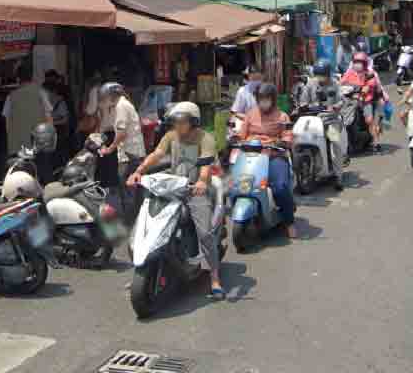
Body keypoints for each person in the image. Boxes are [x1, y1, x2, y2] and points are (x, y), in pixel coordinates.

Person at [127, 102, 223, 299]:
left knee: (205, 233)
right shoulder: (171, 136)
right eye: (176, 121)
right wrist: (138, 171)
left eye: (182, 121)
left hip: (195, 190)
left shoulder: (205, 138)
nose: (178, 125)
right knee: (147, 219)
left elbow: (206, 166)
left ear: (193, 121)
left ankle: (214, 277)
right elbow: (157, 154)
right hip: (173, 186)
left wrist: (202, 182)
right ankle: (144, 265)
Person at [235, 83, 298, 236]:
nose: (263, 102)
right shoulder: (250, 115)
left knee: (280, 187)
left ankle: (289, 221)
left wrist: (284, 142)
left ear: (273, 99)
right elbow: (241, 134)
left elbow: (288, 135)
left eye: (266, 99)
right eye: (260, 99)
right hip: (251, 156)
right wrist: (234, 138)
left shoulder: (282, 116)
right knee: (237, 185)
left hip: (274, 155)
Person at [98, 82, 145, 221]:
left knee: (128, 188)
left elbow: (121, 133)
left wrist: (109, 149)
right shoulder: (123, 104)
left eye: (105, 97)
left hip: (130, 154)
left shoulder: (121, 106)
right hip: (134, 152)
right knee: (131, 188)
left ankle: (129, 220)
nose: (104, 100)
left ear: (112, 96)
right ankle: (134, 217)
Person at [296, 59, 345, 190]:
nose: (320, 78)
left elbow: (341, 100)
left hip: (330, 120)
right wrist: (302, 105)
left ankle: (338, 176)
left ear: (328, 74)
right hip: (313, 120)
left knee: (335, 143)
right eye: (318, 75)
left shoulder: (335, 84)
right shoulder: (310, 84)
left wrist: (336, 106)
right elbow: (303, 101)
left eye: (322, 75)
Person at [1, 65, 54, 175]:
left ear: (18, 79)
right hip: (39, 144)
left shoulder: (11, 96)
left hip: (18, 147)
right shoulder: (41, 93)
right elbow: (49, 117)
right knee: (42, 173)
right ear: (32, 77)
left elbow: (7, 123)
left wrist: (12, 143)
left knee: (20, 175)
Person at [342, 51, 386, 153]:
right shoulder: (349, 73)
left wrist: (361, 94)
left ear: (365, 63)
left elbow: (368, 87)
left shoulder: (369, 74)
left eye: (360, 62)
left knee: (369, 120)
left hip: (365, 101)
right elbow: (341, 83)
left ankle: (376, 143)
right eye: (356, 62)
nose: (357, 64)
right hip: (350, 100)